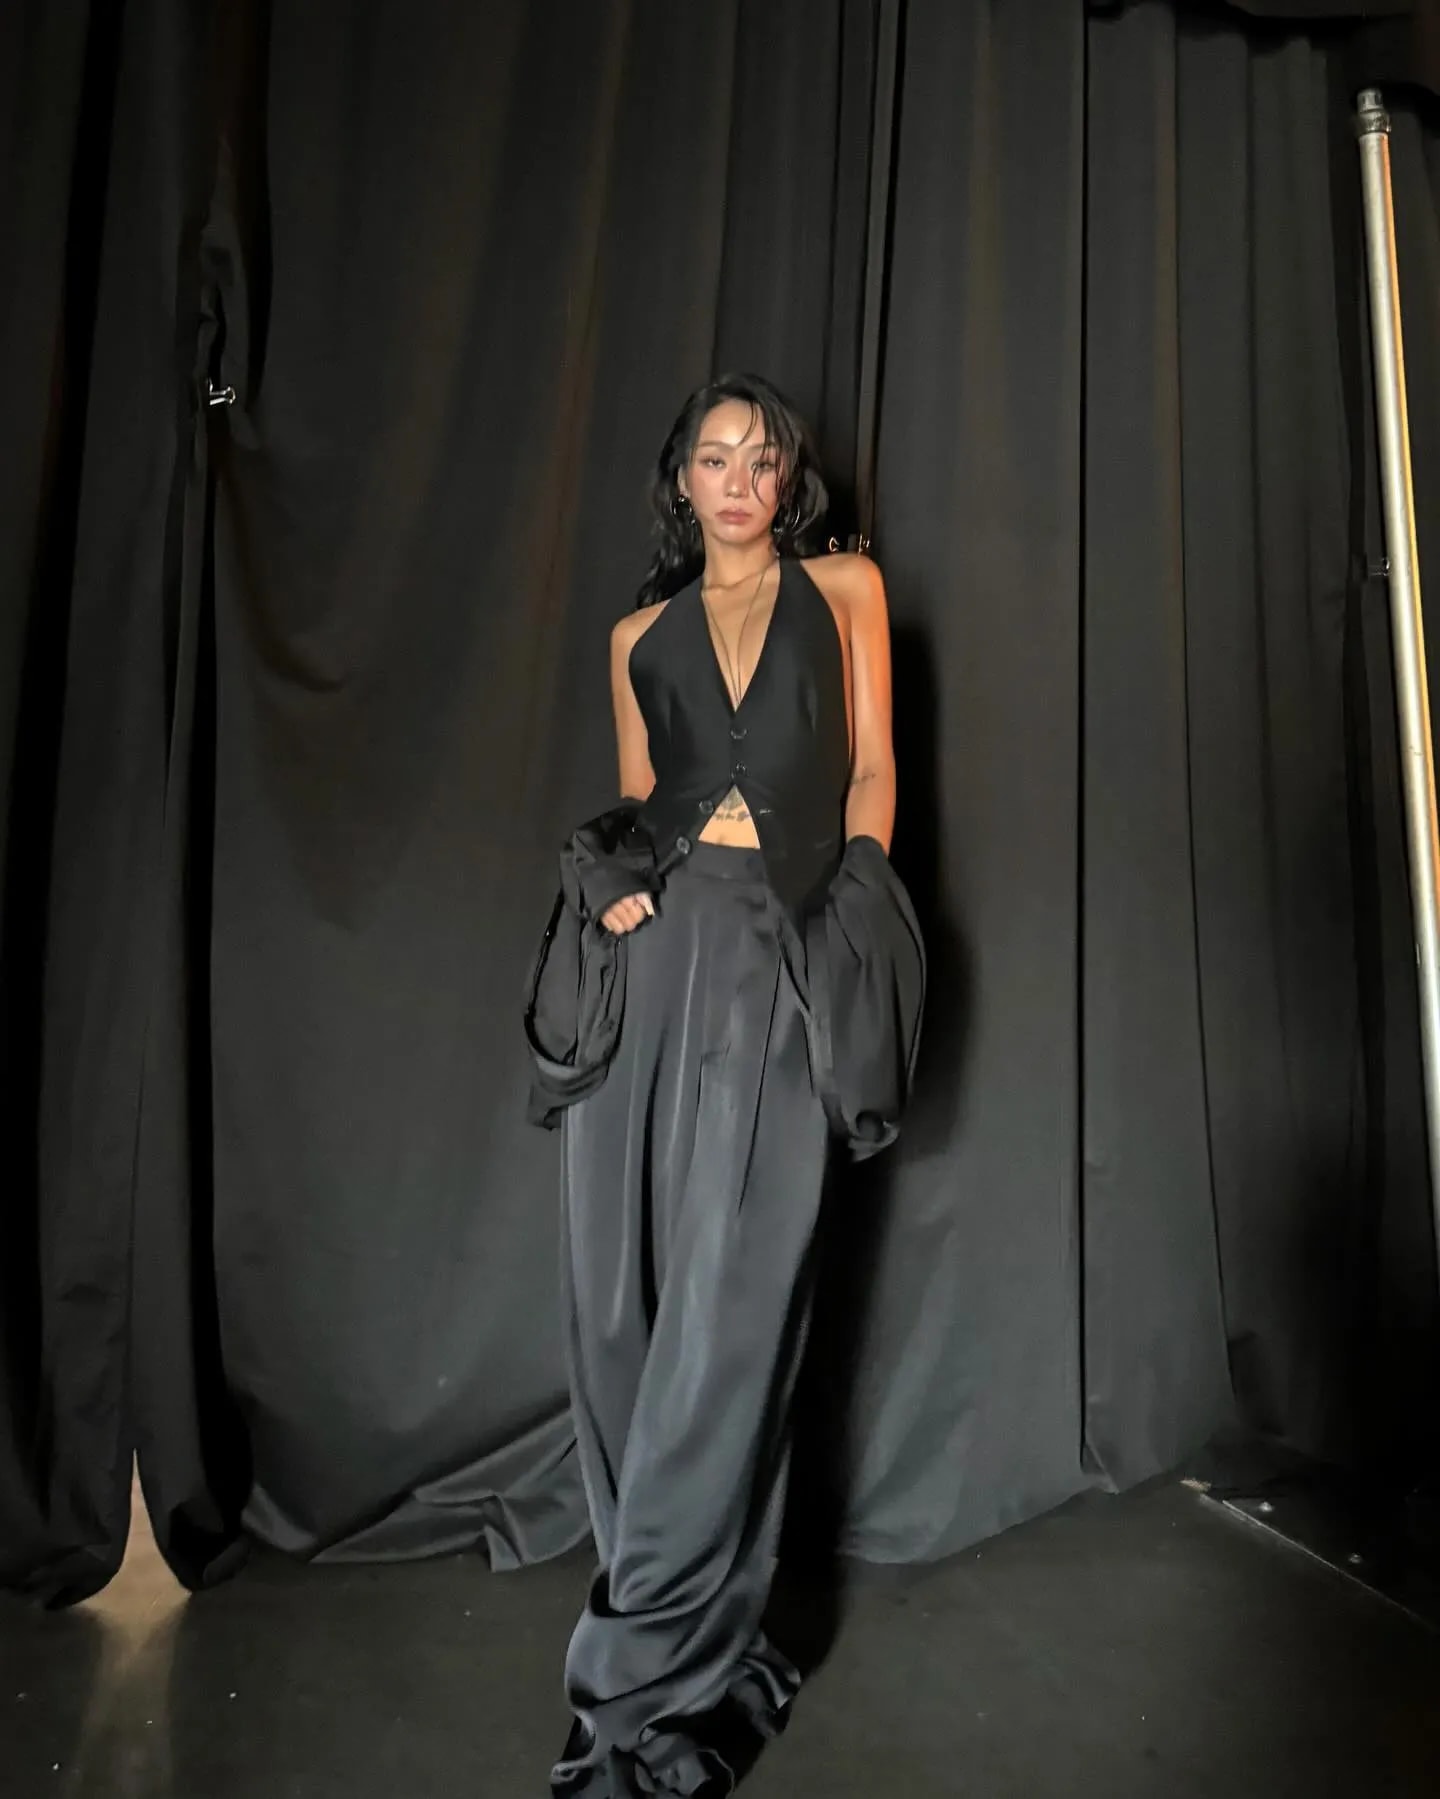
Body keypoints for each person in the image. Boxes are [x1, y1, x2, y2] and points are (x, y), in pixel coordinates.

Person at [527, 373, 922, 1797]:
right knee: (623, 1303)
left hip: (787, 946)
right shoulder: (637, 638)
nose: (740, 480)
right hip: (654, 965)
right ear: (680, 481)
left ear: (787, 480)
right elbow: (646, 801)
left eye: (763, 459)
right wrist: (615, 877)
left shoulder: (850, 590)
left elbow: (872, 774)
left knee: (733, 1311)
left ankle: (642, 1666)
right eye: (714, 458)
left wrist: (847, 910)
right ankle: (676, 1614)